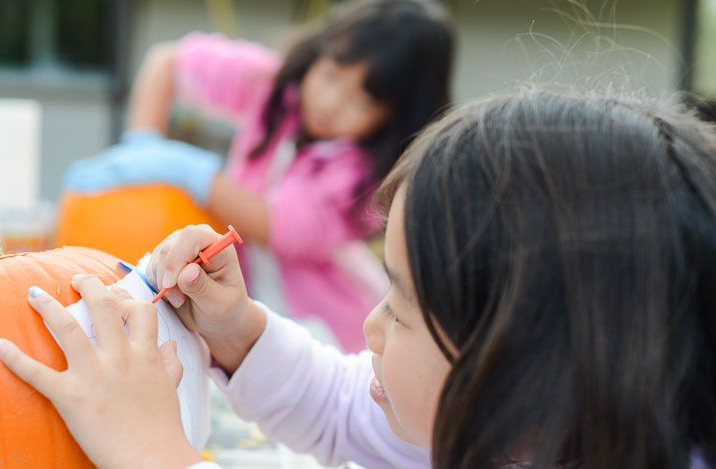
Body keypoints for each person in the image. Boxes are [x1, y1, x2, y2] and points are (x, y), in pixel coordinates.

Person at [0, 90, 716, 469]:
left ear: (530, 356)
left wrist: (155, 460)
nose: (370, 324)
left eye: (400, 304)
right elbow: (347, 404)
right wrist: (239, 331)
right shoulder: (556, 424)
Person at [63, 0, 455, 352]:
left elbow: (281, 227)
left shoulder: (363, 176)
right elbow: (168, 61)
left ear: (397, 115)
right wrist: (142, 145)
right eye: (332, 74)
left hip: (319, 331)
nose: (331, 102)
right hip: (236, 304)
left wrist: (186, 170)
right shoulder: (275, 86)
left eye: (361, 99)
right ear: (318, 53)